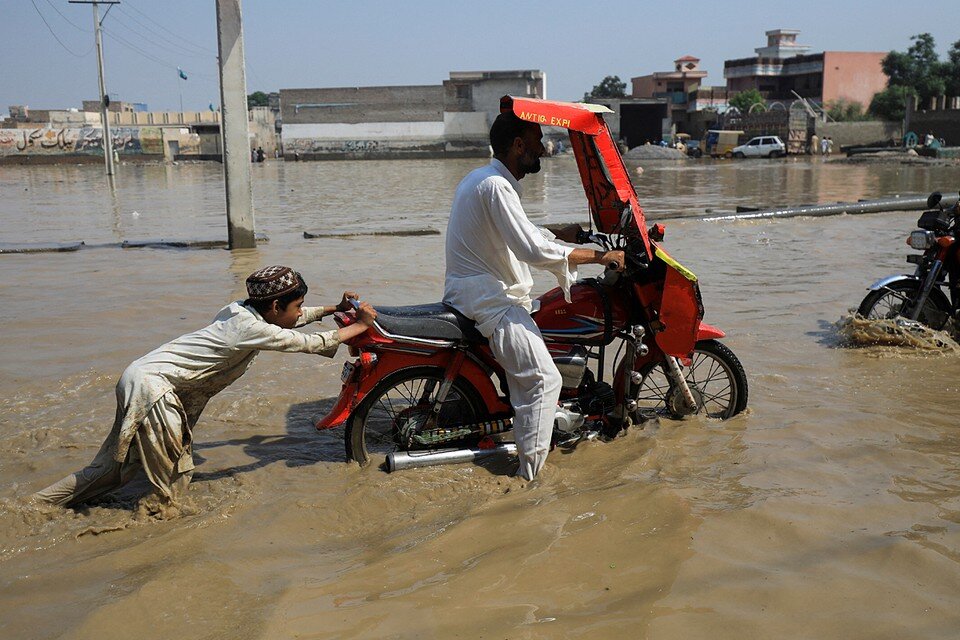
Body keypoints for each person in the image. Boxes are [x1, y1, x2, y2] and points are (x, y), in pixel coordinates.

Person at [33, 266, 377, 508]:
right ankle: (165, 527)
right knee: (176, 473)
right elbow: (311, 343)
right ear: (273, 306)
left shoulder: (239, 311)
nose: (301, 310)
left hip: (140, 377)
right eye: (299, 304)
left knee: (116, 467)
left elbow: (289, 320)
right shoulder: (252, 329)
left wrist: (336, 307)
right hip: (155, 390)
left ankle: (38, 504)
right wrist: (361, 325)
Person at [443, 111, 624, 481]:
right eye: (537, 140)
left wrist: (565, 233)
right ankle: (531, 478)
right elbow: (532, 250)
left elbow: (523, 231)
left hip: (478, 291)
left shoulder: (488, 179)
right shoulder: (496, 186)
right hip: (489, 298)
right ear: (518, 145)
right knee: (545, 380)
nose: (543, 148)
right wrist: (601, 257)